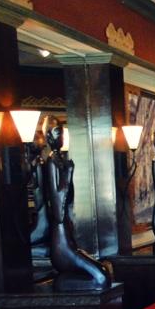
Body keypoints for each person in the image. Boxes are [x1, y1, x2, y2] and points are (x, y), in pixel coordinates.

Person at [43, 122, 110, 290]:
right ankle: (62, 283)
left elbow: (69, 201)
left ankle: (65, 281)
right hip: (61, 243)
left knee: (103, 273)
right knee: (102, 278)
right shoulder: (51, 162)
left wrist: (68, 174)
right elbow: (58, 211)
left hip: (69, 238)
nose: (61, 137)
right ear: (49, 137)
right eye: (57, 132)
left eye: (62, 132)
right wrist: (68, 175)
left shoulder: (60, 160)